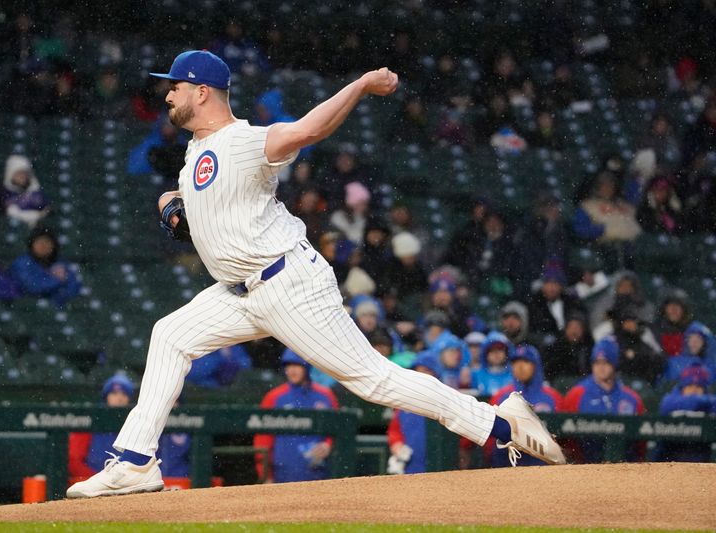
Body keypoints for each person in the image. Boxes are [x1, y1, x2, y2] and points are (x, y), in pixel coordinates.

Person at [67, 50, 564, 498]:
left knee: (374, 381)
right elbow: (190, 203)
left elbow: (305, 130)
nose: (167, 92)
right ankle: (134, 462)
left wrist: (362, 83)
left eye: (174, 85)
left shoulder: (243, 141)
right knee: (170, 334)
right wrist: (170, 205)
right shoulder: (196, 152)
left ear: (201, 92)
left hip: (288, 284)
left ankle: (500, 424)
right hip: (237, 292)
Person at [252, 350, 339, 483]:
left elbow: (338, 430)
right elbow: (263, 440)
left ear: (306, 366)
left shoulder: (325, 395)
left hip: (319, 473)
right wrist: (265, 474)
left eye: (297, 365)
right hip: (283, 473)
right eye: (288, 365)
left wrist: (328, 445)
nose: (292, 370)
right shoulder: (274, 397)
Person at [562, 337, 645, 463]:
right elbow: (565, 438)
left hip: (624, 468)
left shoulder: (631, 398)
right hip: (585, 467)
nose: (601, 367)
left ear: (614, 364)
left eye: (606, 362)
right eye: (597, 362)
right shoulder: (577, 394)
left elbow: (641, 443)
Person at [490, 345, 563, 467]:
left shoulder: (552, 397)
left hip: (544, 466)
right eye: (515, 362)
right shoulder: (500, 396)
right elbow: (489, 440)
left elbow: (565, 436)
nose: (520, 366)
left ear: (536, 365)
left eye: (526, 361)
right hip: (507, 464)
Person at [69, 375, 135, 484]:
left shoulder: (135, 424)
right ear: (106, 396)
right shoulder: (90, 419)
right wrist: (96, 481)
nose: (119, 398)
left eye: (124, 394)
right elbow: (74, 460)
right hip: (91, 483)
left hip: (125, 483)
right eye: (114, 393)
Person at [386, 354, 443, 475]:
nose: (422, 375)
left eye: (426, 371)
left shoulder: (445, 400)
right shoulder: (404, 402)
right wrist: (397, 445)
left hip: (441, 465)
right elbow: (394, 431)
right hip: (412, 466)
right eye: (418, 371)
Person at [655, 364, 716, 462]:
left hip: (701, 458)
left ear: (704, 388)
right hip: (671, 457)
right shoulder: (670, 399)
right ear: (683, 386)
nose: (694, 389)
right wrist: (697, 402)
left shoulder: (711, 400)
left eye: (698, 386)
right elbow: (666, 406)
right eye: (690, 385)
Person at [11, 227, 81, 307]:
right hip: (27, 306)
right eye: (39, 242)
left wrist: (59, 296)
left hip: (55, 307)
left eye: (47, 242)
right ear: (32, 244)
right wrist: (57, 279)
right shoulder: (22, 262)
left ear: (53, 245)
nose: (43, 246)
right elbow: (32, 287)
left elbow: (73, 287)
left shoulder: (61, 262)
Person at [542, 311, 593, 382]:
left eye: (577, 327)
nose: (574, 331)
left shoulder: (590, 348)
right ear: (565, 329)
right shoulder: (556, 349)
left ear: (583, 330)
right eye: (571, 327)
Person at [1, 154, 50, 228]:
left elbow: (45, 210)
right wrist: (36, 215)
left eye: (24, 173)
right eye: (18, 173)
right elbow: (10, 212)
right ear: (11, 175)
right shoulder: (4, 193)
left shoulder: (37, 193)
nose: (22, 176)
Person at [653, 289, 694, 358]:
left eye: (678, 306)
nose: (674, 309)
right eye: (670, 305)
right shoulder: (653, 330)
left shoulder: (693, 331)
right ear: (664, 309)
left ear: (684, 310)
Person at [470, 332, 514, 397]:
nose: (496, 353)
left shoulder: (515, 374)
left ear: (506, 352)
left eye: (500, 349)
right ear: (485, 354)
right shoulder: (476, 375)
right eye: (492, 350)